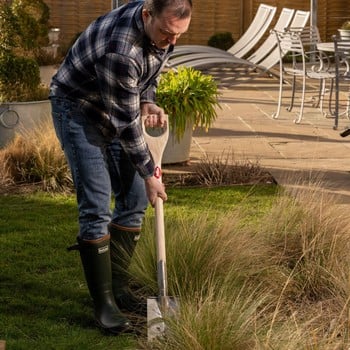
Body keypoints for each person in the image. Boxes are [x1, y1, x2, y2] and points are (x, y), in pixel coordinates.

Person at [49, 0, 192, 335]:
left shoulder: (161, 31)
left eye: (178, 36)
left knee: (134, 201)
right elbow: (127, 124)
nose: (172, 42)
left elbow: (148, 73)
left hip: (115, 104)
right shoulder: (120, 49)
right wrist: (149, 173)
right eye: (167, 34)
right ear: (147, 15)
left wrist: (148, 99)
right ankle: (104, 304)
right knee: (97, 207)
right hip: (78, 110)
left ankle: (120, 288)